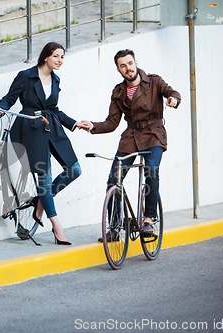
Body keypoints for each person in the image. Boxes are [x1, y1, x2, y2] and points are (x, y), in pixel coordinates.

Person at [0, 42, 86, 245]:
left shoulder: (56, 79)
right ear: (46, 57)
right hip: (31, 128)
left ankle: (41, 201)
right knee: (45, 177)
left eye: (62, 57)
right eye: (56, 56)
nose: (60, 60)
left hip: (53, 127)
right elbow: (10, 98)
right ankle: (57, 227)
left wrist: (74, 123)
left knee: (74, 170)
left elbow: (55, 109)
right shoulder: (26, 76)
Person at [81, 49, 181, 238]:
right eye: (123, 66)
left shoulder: (154, 82)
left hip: (154, 135)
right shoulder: (118, 92)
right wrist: (92, 126)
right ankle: (115, 227)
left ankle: (148, 221)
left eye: (130, 63)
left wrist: (173, 100)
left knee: (151, 171)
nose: (128, 68)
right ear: (118, 70)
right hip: (131, 137)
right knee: (113, 181)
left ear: (136, 62)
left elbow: (173, 92)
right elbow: (112, 123)